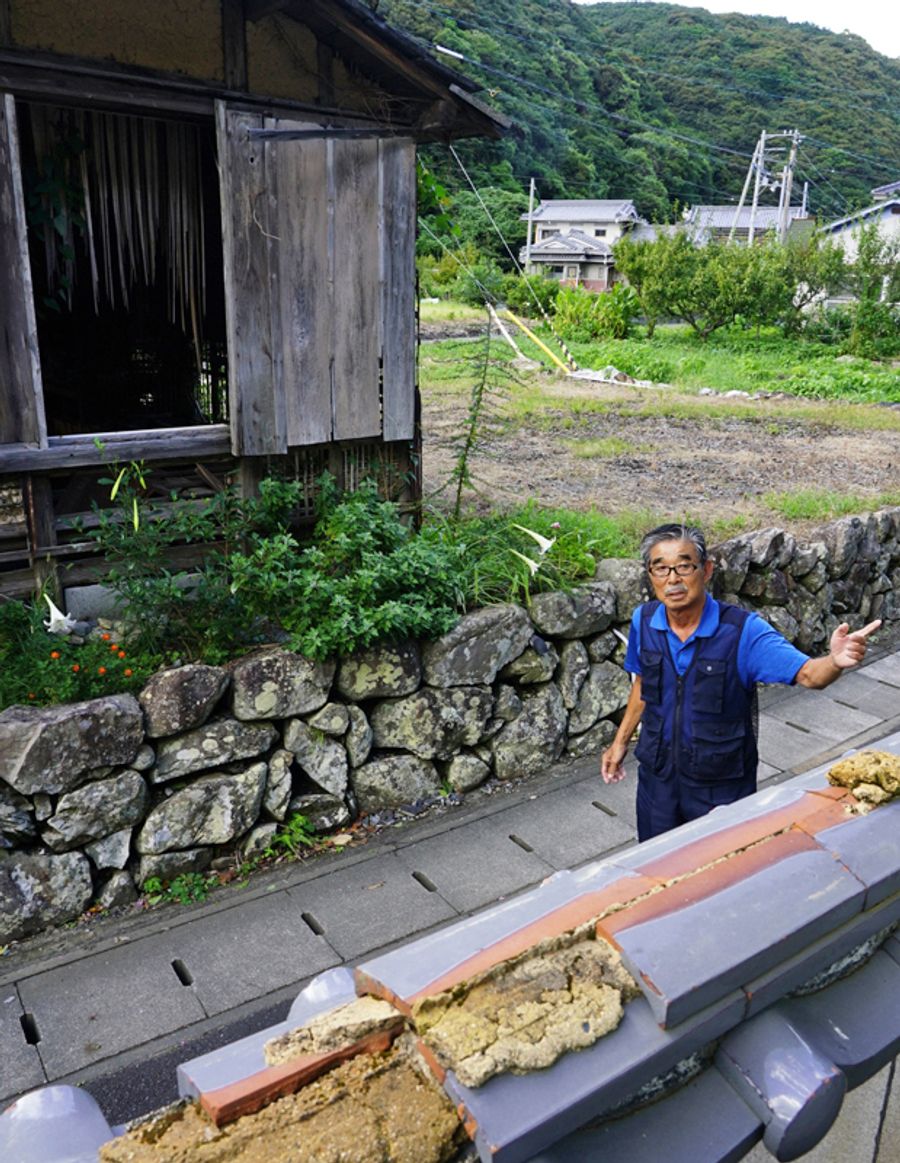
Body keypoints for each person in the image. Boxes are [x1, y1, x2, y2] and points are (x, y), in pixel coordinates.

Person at [600, 522, 881, 841]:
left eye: (684, 566)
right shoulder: (644, 619)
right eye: (660, 568)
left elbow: (808, 674)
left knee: (722, 875)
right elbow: (643, 684)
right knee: (655, 871)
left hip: (720, 789)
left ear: (705, 570)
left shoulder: (743, 632)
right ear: (649, 575)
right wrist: (620, 742)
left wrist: (834, 661)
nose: (673, 579)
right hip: (657, 781)